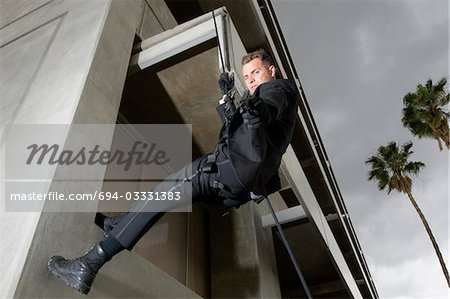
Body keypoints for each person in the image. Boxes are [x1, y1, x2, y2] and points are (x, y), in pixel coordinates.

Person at [47, 49, 299, 294]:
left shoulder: (278, 89)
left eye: (255, 72)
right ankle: (119, 224)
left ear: (272, 70)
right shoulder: (260, 100)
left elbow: (268, 108)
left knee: (162, 194)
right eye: (247, 77)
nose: (251, 80)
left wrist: (259, 112)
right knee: (163, 197)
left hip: (226, 172)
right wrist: (227, 100)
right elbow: (244, 133)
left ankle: (87, 265)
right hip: (233, 186)